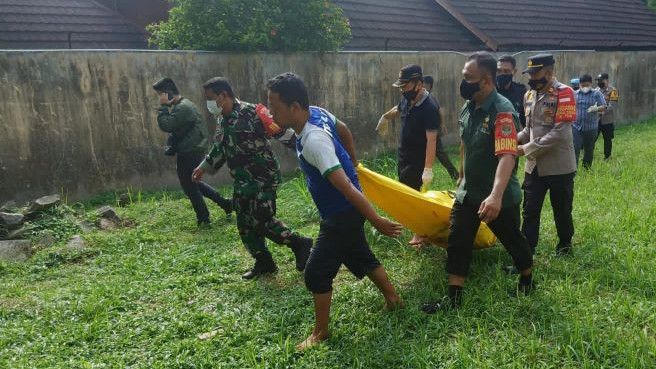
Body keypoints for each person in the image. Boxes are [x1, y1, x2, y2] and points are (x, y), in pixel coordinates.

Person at [266, 72, 403, 350]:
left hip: (341, 213)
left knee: (316, 273)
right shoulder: (316, 112)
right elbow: (344, 129)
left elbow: (348, 190)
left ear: (294, 108)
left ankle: (320, 333)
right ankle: (393, 299)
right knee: (359, 253)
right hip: (344, 211)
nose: (270, 113)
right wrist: (352, 160)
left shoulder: (315, 142)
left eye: (275, 108)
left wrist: (376, 220)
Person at [422, 52, 534, 313]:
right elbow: (465, 142)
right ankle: (454, 298)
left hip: (498, 195)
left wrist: (495, 196)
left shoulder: (503, 111)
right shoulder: (468, 106)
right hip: (468, 193)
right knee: (458, 240)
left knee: (512, 241)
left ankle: (527, 276)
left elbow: (507, 155)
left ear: (485, 81)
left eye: (468, 78)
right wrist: (461, 173)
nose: (463, 82)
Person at [192, 77, 313, 280]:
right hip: (242, 180)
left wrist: (308, 152)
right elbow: (220, 147)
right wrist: (203, 167)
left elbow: (283, 132)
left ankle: (299, 243)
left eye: (211, 98)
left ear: (223, 96)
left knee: (262, 220)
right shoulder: (222, 118)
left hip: (263, 177)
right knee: (245, 224)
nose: (209, 103)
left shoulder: (253, 112)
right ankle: (263, 262)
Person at [515, 54, 577, 260]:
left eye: (535, 72)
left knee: (561, 210)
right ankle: (526, 252)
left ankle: (565, 244)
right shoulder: (529, 96)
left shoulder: (565, 93)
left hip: (560, 166)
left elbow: (560, 133)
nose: (531, 77)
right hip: (534, 166)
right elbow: (529, 129)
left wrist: (526, 149)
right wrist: (512, 141)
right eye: (529, 73)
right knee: (530, 211)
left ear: (549, 72)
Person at [153, 77, 232, 226]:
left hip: (190, 150)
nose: (159, 98)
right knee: (194, 182)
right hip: (192, 148)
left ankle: (204, 218)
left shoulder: (183, 107)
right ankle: (225, 204)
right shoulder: (183, 105)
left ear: (168, 93)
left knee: (189, 186)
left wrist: (163, 107)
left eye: (160, 95)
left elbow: (166, 125)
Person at [377, 65, 439, 246]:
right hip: (404, 155)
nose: (403, 90)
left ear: (419, 84)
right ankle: (421, 230)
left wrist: (428, 169)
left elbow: (432, 140)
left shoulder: (429, 107)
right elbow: (398, 109)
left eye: (406, 86)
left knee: (412, 197)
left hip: (418, 159)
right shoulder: (407, 98)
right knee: (407, 194)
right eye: (401, 86)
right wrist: (386, 117)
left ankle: (421, 234)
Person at [424, 75, 459, 180]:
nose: (421, 86)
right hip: (426, 131)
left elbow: (440, 111)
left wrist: (442, 124)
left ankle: (455, 175)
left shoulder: (430, 98)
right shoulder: (423, 97)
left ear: (429, 86)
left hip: (433, 131)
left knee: (441, 154)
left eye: (423, 84)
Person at [573, 74, 606, 169]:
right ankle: (573, 169)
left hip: (591, 127)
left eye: (586, 85)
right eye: (582, 85)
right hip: (576, 126)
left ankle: (586, 168)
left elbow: (604, 107)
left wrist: (596, 108)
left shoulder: (596, 94)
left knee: (589, 149)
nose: (584, 87)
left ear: (591, 84)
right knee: (575, 148)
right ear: (579, 85)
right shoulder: (575, 94)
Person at [496, 55, 528, 128]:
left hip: (513, 136)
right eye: (499, 71)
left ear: (514, 71)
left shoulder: (520, 91)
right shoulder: (490, 90)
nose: (502, 74)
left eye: (506, 71)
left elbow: (524, 120)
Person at [596, 73, 619, 160]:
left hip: (607, 120)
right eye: (598, 80)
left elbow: (613, 105)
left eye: (601, 80)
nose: (599, 82)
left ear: (607, 80)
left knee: (607, 139)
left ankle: (607, 156)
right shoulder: (596, 90)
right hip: (597, 119)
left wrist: (601, 110)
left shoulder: (613, 90)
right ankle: (589, 154)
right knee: (593, 138)